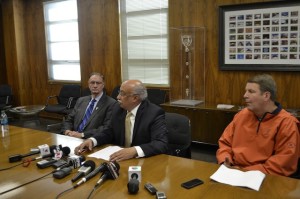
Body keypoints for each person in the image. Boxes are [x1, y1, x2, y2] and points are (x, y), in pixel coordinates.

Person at [216, 74, 300, 177]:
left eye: (251, 91)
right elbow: (225, 142)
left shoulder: (287, 123)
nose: (245, 95)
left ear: (266, 96)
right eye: (246, 91)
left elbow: (283, 163)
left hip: (265, 176)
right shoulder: (241, 115)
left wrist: (244, 172)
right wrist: (225, 159)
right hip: (234, 171)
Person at [75, 79, 168, 162]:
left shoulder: (154, 113)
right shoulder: (118, 108)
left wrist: (134, 150)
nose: (118, 97)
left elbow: (161, 143)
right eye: (119, 92)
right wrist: (93, 140)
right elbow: (109, 131)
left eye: (122, 94)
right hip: (120, 160)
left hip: (144, 162)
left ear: (135, 98)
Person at [62, 72, 116, 139]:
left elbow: (106, 127)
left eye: (98, 83)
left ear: (103, 85)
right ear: (88, 85)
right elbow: (69, 119)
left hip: (91, 140)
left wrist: (82, 135)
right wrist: (67, 131)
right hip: (72, 137)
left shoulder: (111, 103)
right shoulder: (81, 100)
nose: (95, 85)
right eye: (92, 83)